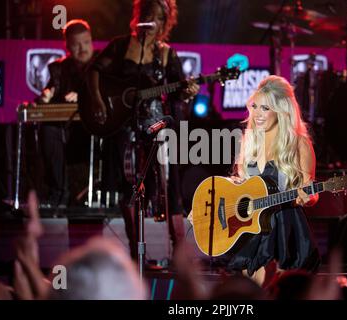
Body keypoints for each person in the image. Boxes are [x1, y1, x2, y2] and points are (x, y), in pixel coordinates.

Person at [87, 0, 199, 260]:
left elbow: (178, 89)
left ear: (164, 23)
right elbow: (94, 70)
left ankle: (179, 252)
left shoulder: (166, 54)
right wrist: (97, 99)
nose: (151, 20)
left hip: (156, 126)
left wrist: (189, 91)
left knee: (169, 184)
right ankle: (137, 249)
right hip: (123, 125)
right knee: (129, 185)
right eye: (147, 14)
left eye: (157, 17)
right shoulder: (120, 46)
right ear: (138, 16)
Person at [189, 75, 320, 285]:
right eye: (255, 106)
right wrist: (208, 211)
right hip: (250, 228)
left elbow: (310, 192)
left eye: (265, 108)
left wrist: (307, 197)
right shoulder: (249, 140)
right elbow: (241, 185)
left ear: (281, 110)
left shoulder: (299, 144)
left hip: (283, 230)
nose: (257, 114)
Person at [38, 19, 96, 208]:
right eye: (76, 45)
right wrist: (45, 97)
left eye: (86, 42)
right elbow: (50, 92)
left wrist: (83, 96)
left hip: (100, 132)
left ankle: (116, 193)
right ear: (68, 46)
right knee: (48, 129)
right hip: (70, 134)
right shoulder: (59, 69)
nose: (83, 49)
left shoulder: (103, 65)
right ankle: (58, 194)